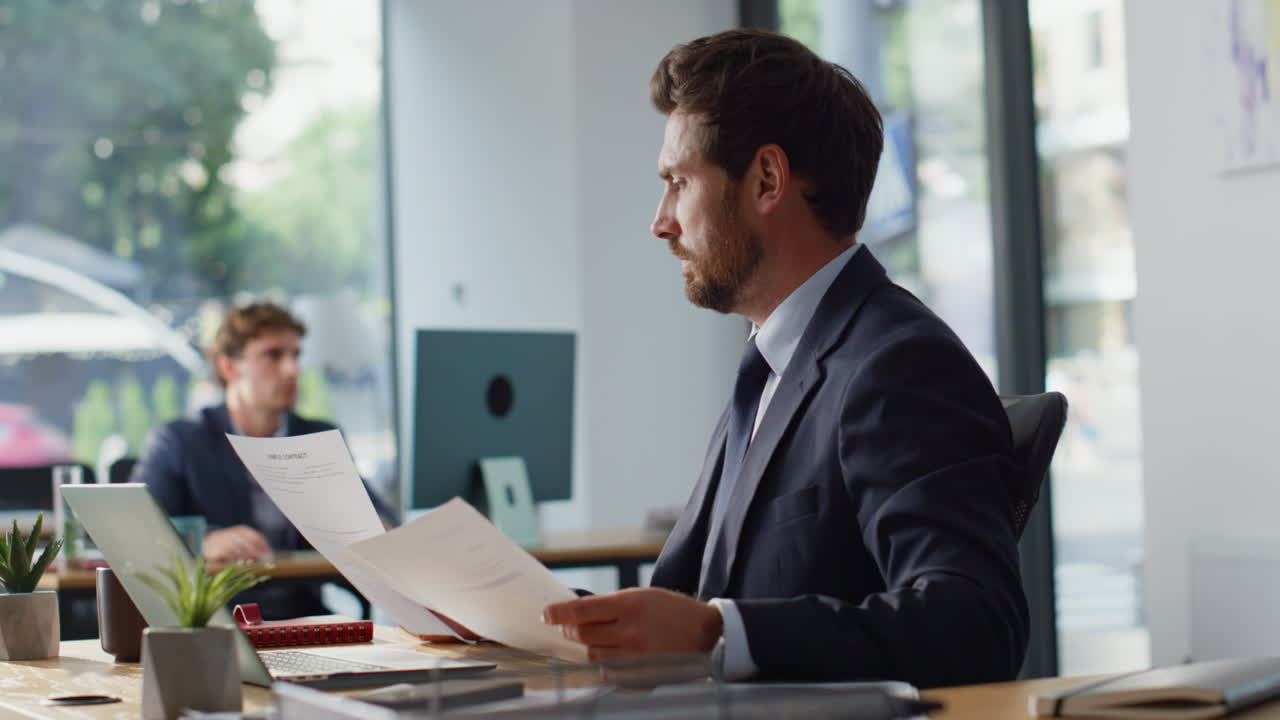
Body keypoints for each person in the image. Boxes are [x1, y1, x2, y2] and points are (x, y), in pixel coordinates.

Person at [541, 29, 1028, 687]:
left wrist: (717, 633)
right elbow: (693, 605)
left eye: (678, 182)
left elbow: (973, 623)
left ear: (767, 179)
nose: (661, 221)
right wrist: (536, 622)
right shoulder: (773, 366)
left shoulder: (898, 366)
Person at [132, 301, 395, 618]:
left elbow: (378, 518)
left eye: (295, 355)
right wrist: (203, 541)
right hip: (217, 615)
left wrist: (376, 528)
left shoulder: (317, 436)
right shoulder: (181, 440)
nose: (292, 369)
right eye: (273, 355)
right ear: (229, 367)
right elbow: (135, 525)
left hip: (302, 611)